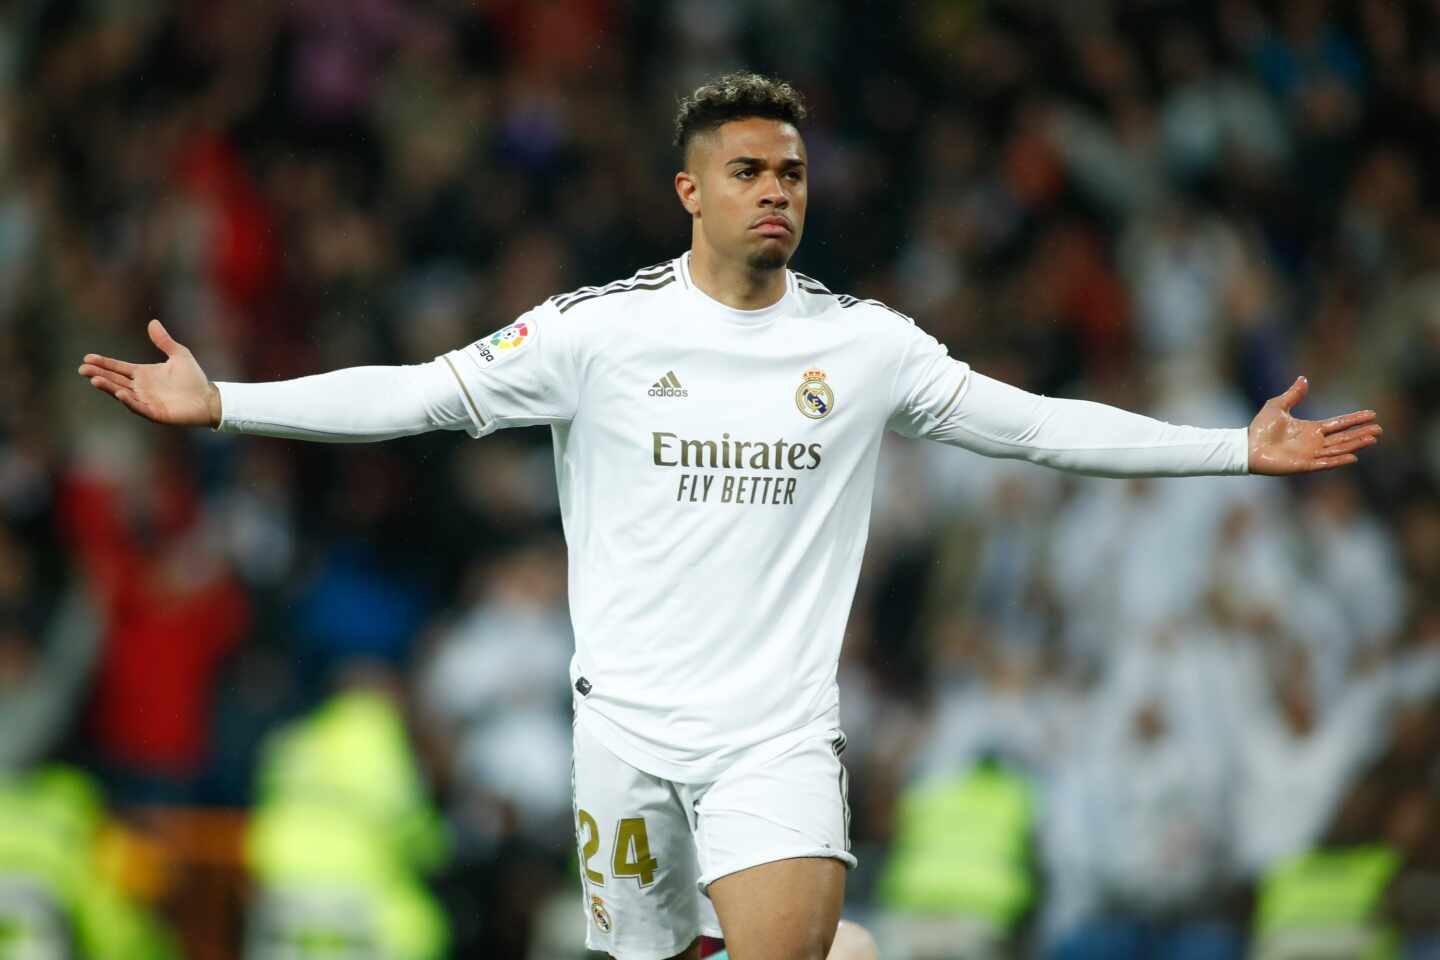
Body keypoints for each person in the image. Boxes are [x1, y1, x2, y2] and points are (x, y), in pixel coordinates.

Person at [77, 72, 1382, 960]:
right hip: (624, 738)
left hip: (774, 743)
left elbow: (1036, 422)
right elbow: (419, 396)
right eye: (748, 168)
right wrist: (227, 404)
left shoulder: (865, 346)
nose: (777, 189)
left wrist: (1233, 449)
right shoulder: (599, 333)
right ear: (689, 192)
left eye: (794, 171)